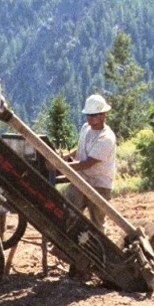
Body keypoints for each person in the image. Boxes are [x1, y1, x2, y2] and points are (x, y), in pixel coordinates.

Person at [63, 94, 117, 230]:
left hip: (99, 185)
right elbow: (82, 147)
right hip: (81, 179)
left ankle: (100, 250)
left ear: (103, 114)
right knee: (67, 212)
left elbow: (88, 163)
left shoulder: (107, 138)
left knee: (96, 224)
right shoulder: (85, 128)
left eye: (94, 115)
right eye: (88, 115)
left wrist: (61, 166)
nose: (90, 118)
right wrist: (67, 156)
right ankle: (64, 247)